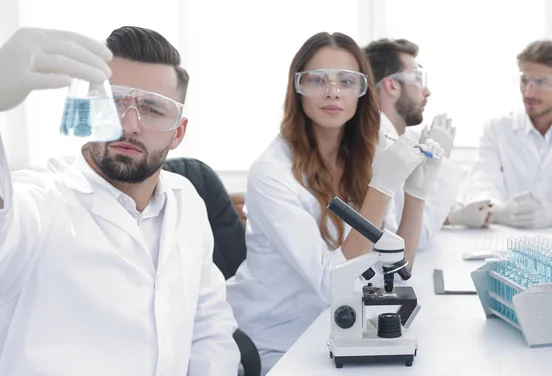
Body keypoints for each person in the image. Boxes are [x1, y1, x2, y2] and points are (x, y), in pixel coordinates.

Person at [0, 26, 239, 376]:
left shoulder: (187, 201)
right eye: (113, 101)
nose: (129, 124)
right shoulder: (43, 204)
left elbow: (209, 326)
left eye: (152, 109)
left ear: (178, 132)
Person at [225, 32, 443, 375]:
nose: (332, 91)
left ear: (363, 91)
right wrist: (382, 187)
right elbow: (333, 284)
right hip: (281, 340)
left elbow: (397, 272)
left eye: (346, 80)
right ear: (297, 88)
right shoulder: (270, 173)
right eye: (316, 80)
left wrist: (416, 193)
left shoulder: (364, 156)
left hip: (343, 328)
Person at [363, 38, 476, 246]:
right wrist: (443, 159)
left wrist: (454, 215)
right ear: (391, 85)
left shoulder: (392, 136)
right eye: (418, 78)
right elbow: (416, 236)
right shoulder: (381, 143)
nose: (427, 91)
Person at [458, 40, 552, 229]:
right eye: (524, 80)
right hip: (505, 238)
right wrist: (499, 211)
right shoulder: (498, 129)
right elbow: (481, 183)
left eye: (541, 82)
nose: (528, 91)